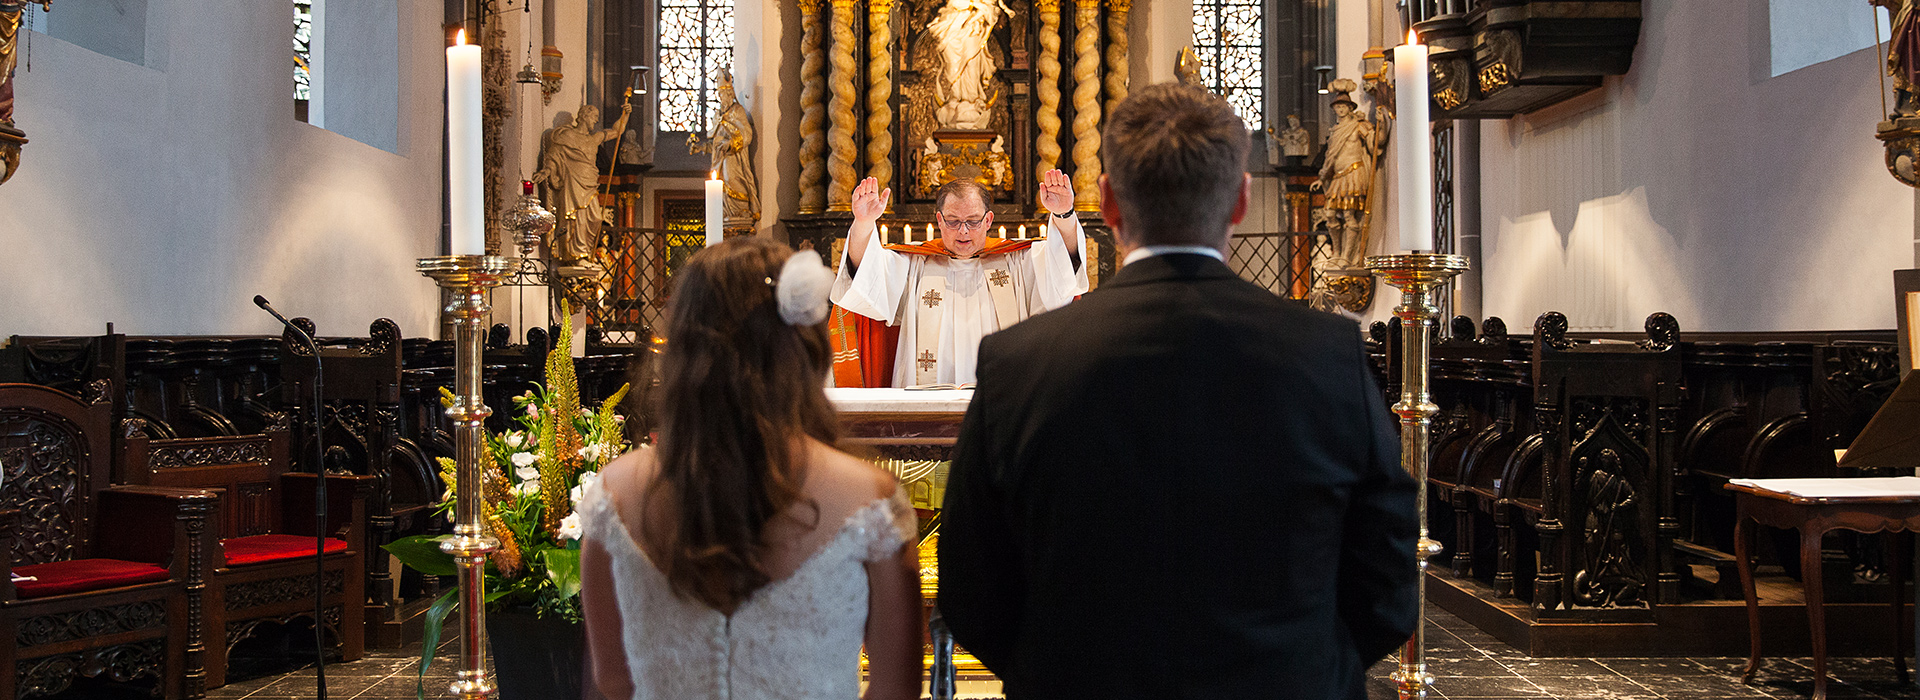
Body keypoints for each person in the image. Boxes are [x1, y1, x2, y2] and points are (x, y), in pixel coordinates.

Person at [937, 83, 1418, 699]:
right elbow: (1387, 574)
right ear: (1242, 199)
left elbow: (971, 584)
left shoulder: (1017, 363)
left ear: (1108, 203)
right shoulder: (1327, 354)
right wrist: (1302, 663)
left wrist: (1055, 667)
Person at [581, 237, 925, 700]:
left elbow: (613, 682)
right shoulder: (869, 499)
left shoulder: (614, 496)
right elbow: (895, 690)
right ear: (803, 342)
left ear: (683, 344)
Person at [831, 173, 1088, 387]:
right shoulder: (915, 263)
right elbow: (866, 278)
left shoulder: (1016, 262)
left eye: (973, 221)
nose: (963, 231)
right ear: (939, 220)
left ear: (988, 220)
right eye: (953, 221)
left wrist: (1063, 216)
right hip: (925, 399)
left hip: (1002, 393)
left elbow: (1062, 272)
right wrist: (864, 223)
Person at [533, 103, 631, 264]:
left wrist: (625, 115)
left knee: (595, 219)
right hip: (572, 183)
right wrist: (547, 171)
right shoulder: (567, 136)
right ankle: (576, 256)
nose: (597, 120)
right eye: (594, 116)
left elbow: (616, 131)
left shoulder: (595, 138)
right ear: (584, 116)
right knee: (574, 219)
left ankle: (585, 252)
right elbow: (555, 156)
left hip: (590, 184)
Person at [926, 0, 1012, 129]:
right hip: (951, 25)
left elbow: (992, 10)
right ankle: (955, 97)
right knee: (951, 67)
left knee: (972, 64)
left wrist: (978, 7)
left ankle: (972, 98)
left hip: (972, 27)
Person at [689, 71, 760, 228]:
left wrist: (731, 143)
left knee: (732, 179)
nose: (721, 98)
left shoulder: (737, 112)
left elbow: (747, 135)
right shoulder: (718, 115)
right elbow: (715, 143)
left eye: (723, 94)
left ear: (730, 93)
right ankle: (728, 213)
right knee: (720, 185)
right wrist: (700, 147)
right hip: (719, 159)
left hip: (733, 157)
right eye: (719, 95)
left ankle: (740, 211)